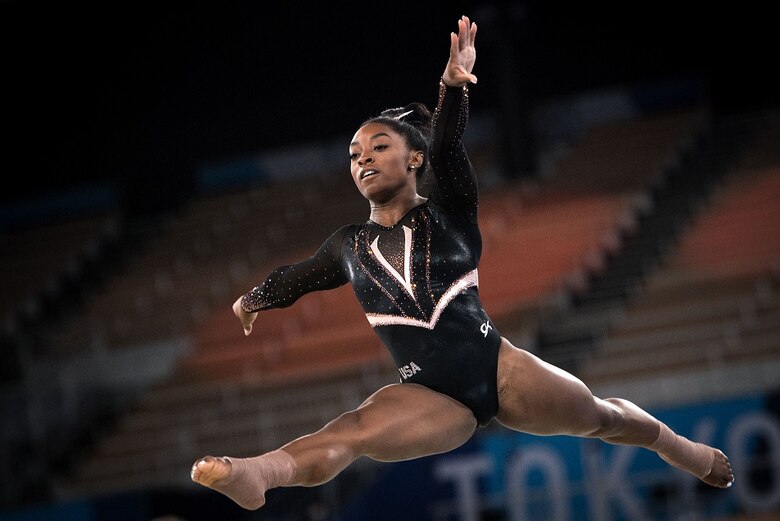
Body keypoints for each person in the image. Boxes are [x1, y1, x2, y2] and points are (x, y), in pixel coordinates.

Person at [191, 15, 734, 511]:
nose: (363, 160)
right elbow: (297, 278)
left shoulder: (449, 208)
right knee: (353, 430)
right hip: (426, 395)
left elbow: (449, 143)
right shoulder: (347, 245)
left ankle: (678, 448)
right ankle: (257, 472)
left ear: (415, 157)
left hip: (500, 370)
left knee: (602, 418)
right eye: (355, 155)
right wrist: (254, 299)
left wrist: (452, 87)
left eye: (378, 147)